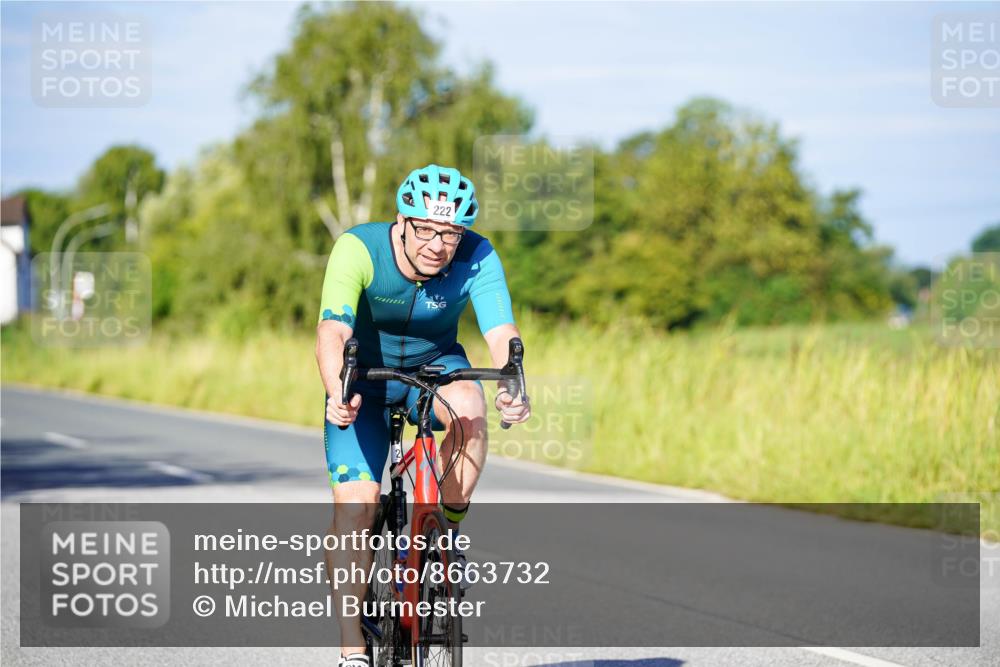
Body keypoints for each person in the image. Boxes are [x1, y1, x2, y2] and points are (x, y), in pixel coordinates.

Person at [315, 164, 531, 667]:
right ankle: (352, 647)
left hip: (435, 368)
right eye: (427, 229)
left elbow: (502, 333)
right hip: (364, 379)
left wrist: (515, 385)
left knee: (471, 407)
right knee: (357, 508)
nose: (438, 244)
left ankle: (446, 533)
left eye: (451, 232)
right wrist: (336, 390)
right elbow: (332, 329)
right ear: (402, 221)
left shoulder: (478, 255)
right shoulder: (359, 247)